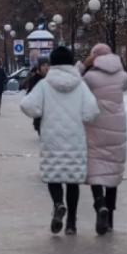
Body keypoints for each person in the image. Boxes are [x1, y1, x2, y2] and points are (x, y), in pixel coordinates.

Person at [20, 46, 99, 235]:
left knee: (53, 177)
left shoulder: (44, 85)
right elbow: (92, 112)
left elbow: (27, 105)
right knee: (73, 182)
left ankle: (58, 204)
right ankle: (71, 223)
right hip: (75, 140)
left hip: (52, 139)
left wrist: (41, 113)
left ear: (53, 63)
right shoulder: (80, 85)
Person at [79, 44, 127, 236]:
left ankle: (100, 205)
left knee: (96, 171)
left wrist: (84, 65)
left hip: (95, 127)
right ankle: (110, 220)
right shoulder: (122, 76)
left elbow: (73, 82)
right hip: (117, 129)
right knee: (112, 173)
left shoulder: (90, 78)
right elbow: (124, 84)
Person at [25, 60, 50, 135]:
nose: (46, 67)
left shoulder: (50, 78)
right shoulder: (34, 78)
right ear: (39, 67)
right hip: (39, 104)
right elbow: (30, 91)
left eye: (47, 65)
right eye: (43, 65)